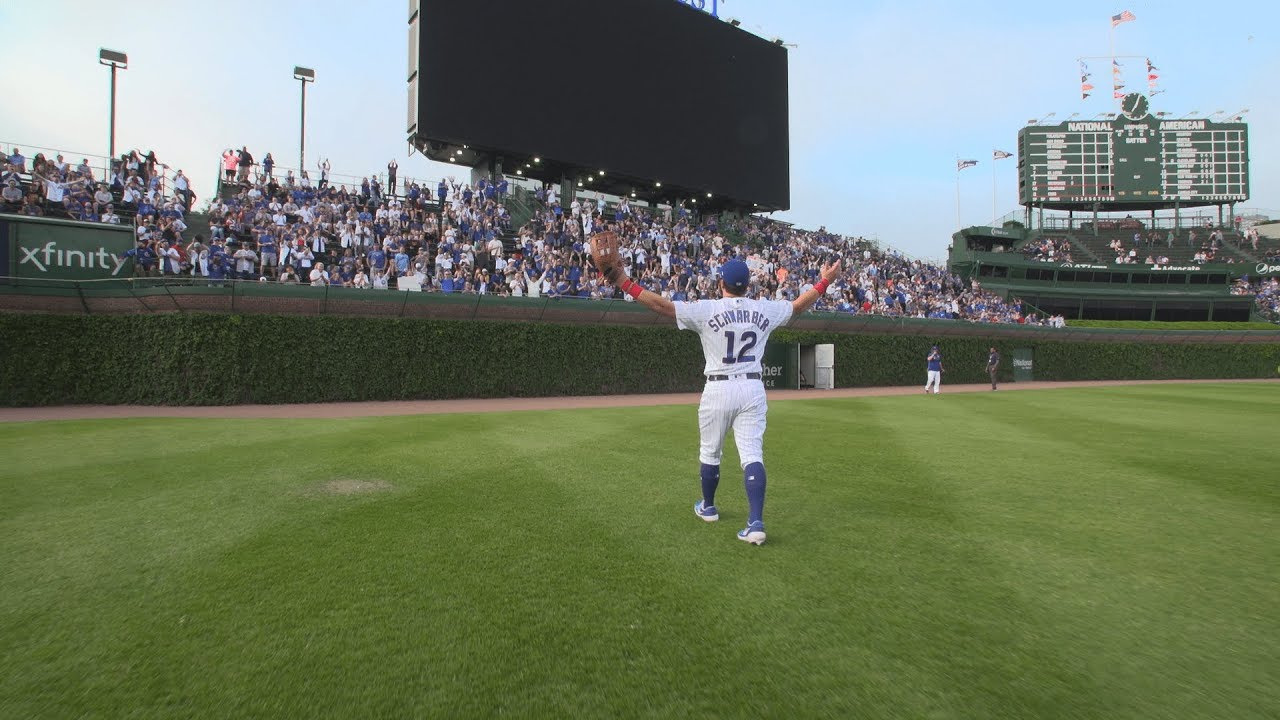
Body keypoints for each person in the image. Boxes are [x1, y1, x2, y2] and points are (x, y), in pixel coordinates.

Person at [601, 229, 841, 545]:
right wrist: (824, 281)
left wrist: (623, 282)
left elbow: (662, 307)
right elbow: (797, 306)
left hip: (717, 387)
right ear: (748, 285)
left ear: (721, 284)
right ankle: (755, 522)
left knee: (710, 451)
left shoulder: (707, 309)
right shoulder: (764, 308)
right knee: (752, 453)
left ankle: (709, 507)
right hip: (753, 388)